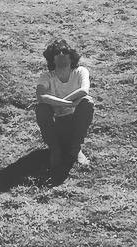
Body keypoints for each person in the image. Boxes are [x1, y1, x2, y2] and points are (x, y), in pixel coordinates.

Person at [35, 38, 95, 176]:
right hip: (56, 124)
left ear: (71, 56)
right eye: (57, 52)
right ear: (52, 58)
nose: (61, 54)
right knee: (42, 108)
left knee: (87, 102)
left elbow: (84, 91)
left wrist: (59, 104)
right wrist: (68, 104)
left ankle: (75, 149)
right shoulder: (46, 76)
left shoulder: (80, 71)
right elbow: (41, 96)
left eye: (65, 51)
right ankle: (55, 150)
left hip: (75, 122)